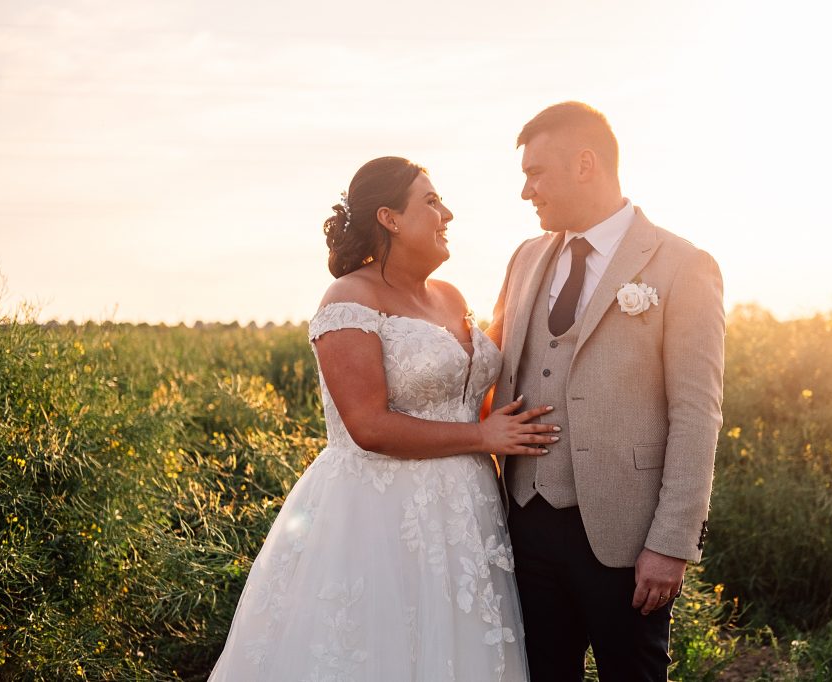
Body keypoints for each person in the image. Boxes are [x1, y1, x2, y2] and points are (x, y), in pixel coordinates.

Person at [209, 156, 556, 681]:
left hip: (467, 513)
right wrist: (482, 435)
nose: (447, 214)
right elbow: (367, 425)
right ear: (390, 218)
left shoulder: (451, 296)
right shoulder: (349, 299)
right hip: (382, 513)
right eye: (431, 202)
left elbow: (467, 391)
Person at [487, 102, 725, 681]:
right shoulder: (524, 258)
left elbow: (697, 413)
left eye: (536, 173)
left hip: (627, 533)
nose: (526, 191)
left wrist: (671, 543)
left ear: (585, 164)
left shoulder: (682, 265)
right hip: (525, 523)